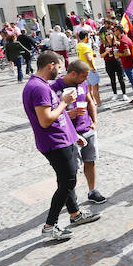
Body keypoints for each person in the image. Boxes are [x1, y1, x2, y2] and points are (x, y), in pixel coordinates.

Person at [22, 51, 100, 240]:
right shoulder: (39, 88)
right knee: (68, 182)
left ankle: (75, 214)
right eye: (58, 66)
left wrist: (74, 137)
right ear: (50, 65)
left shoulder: (41, 85)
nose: (60, 70)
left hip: (63, 139)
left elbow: (60, 117)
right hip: (54, 142)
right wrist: (65, 102)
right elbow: (46, 120)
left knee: (66, 179)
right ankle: (50, 225)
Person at [51, 60, 106, 204]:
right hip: (68, 135)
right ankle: (70, 196)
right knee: (71, 169)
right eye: (83, 76)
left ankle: (92, 191)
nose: (86, 79)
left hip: (87, 129)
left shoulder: (82, 84)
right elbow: (51, 114)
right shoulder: (54, 88)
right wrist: (69, 114)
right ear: (73, 74)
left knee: (90, 161)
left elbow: (89, 102)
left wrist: (94, 121)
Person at [75, 30, 101, 106]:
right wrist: (93, 68)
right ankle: (99, 104)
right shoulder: (85, 46)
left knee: (89, 89)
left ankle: (92, 103)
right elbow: (88, 58)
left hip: (83, 69)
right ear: (86, 36)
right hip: (89, 68)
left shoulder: (79, 45)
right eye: (89, 35)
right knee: (95, 87)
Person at [100, 29, 127, 100]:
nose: (108, 36)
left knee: (121, 79)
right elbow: (101, 56)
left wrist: (118, 54)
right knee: (112, 79)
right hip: (108, 63)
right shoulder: (103, 45)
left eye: (109, 34)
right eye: (106, 35)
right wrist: (106, 52)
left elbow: (123, 53)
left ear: (112, 35)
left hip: (117, 62)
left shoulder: (117, 43)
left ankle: (124, 94)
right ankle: (115, 94)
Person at [117, 27, 133, 102]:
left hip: (127, 63)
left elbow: (127, 53)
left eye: (115, 30)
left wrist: (118, 54)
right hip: (131, 62)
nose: (114, 32)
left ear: (119, 31)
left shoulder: (123, 40)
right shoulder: (126, 38)